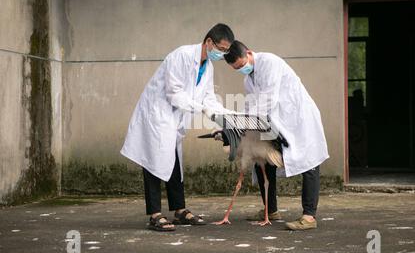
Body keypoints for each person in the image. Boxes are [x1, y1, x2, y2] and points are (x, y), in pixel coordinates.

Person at [120, 24, 234, 231]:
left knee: (173, 160)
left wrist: (225, 114)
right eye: (221, 48)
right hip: (158, 114)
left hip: (175, 118)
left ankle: (179, 210)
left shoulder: (208, 66)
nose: (223, 53)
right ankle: (155, 214)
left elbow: (208, 96)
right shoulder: (180, 56)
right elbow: (174, 93)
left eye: (226, 51)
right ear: (209, 42)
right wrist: (202, 109)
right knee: (153, 159)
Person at [223, 40, 329, 230]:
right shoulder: (248, 79)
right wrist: (241, 124)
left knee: (309, 162)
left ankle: (309, 216)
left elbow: (268, 100)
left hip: (298, 118)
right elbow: (250, 104)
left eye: (241, 65)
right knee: (262, 158)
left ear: (249, 52)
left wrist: (246, 123)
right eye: (237, 68)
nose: (241, 69)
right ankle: (270, 209)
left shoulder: (270, 63)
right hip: (275, 121)